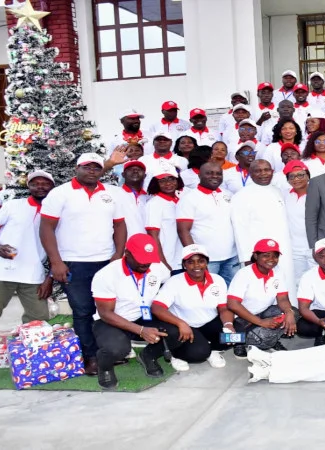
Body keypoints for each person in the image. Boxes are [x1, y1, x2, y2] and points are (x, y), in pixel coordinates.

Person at [40, 154, 128, 376]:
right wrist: (56, 262)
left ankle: (108, 352)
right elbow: (46, 228)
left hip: (106, 261)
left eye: (96, 167)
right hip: (74, 263)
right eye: (87, 167)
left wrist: (118, 254)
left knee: (108, 309)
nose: (92, 170)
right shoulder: (60, 193)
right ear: (77, 168)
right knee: (82, 311)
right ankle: (90, 357)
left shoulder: (109, 194)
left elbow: (119, 226)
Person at [0, 171, 54, 386]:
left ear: (52, 187)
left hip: (33, 275)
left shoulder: (56, 211)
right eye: (35, 183)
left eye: (45, 183)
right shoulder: (14, 205)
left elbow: (61, 248)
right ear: (28, 186)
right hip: (0, 272)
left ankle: (28, 359)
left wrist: (49, 277)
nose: (40, 187)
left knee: (38, 320)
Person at [90, 234, 172, 389]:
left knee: (174, 331)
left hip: (143, 315)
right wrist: (141, 330)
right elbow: (105, 313)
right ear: (127, 254)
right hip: (112, 321)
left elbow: (168, 282)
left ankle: (148, 356)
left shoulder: (157, 267)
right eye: (141, 259)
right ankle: (105, 366)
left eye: (149, 258)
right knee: (118, 349)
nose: (146, 263)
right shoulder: (106, 275)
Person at [152, 244, 231, 369]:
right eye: (190, 262)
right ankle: (175, 354)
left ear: (207, 263)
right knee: (199, 353)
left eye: (201, 261)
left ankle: (214, 350)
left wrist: (228, 325)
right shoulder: (174, 282)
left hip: (208, 323)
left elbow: (223, 308)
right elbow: (156, 307)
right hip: (185, 327)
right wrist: (180, 323)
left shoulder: (218, 280)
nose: (196, 266)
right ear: (184, 265)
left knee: (237, 336)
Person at [230, 160, 295, 304]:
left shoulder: (277, 191)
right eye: (258, 171)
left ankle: (289, 314)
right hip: (259, 254)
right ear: (250, 173)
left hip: (283, 249)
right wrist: (247, 258)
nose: (263, 174)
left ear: (272, 171)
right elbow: (240, 229)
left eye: (266, 170)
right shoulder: (241, 196)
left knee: (286, 282)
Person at [227, 239, 296, 358]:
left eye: (275, 256)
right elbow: (233, 304)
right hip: (241, 319)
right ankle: (239, 343)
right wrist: (261, 322)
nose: (271, 259)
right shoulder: (244, 274)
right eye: (266, 255)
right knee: (228, 338)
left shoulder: (277, 271)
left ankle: (271, 339)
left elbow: (283, 298)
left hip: (263, 312)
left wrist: (289, 312)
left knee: (294, 313)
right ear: (256, 255)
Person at [176, 161, 238, 286]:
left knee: (231, 294)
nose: (214, 176)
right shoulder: (189, 198)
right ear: (199, 175)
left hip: (232, 256)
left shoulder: (229, 195)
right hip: (207, 259)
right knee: (208, 294)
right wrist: (195, 257)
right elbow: (183, 231)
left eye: (218, 174)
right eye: (209, 173)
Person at [145, 164, 184, 273]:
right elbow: (152, 236)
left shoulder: (181, 200)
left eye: (172, 179)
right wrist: (163, 263)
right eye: (162, 180)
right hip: (168, 262)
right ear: (156, 183)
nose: (168, 184)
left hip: (182, 260)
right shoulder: (154, 204)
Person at [282, 161, 315, 288]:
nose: (296, 179)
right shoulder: (284, 195)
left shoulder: (317, 194)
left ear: (308, 176)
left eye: (300, 175)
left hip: (314, 246)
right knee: (297, 281)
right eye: (292, 176)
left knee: (315, 279)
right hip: (294, 247)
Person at [109, 160, 148, 236]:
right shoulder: (113, 192)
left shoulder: (149, 197)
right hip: (123, 245)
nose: (135, 171)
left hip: (146, 245)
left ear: (145, 175)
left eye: (139, 170)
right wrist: (110, 163)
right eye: (131, 169)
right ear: (123, 174)